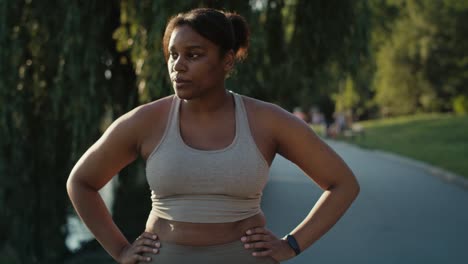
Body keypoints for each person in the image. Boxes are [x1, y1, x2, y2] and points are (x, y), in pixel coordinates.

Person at [66, 8, 360, 264]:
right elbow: (81, 183)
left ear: (228, 61)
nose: (177, 66)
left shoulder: (267, 121)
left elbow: (343, 184)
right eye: (173, 54)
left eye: (193, 55)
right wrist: (120, 250)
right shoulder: (145, 121)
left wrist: (292, 244)